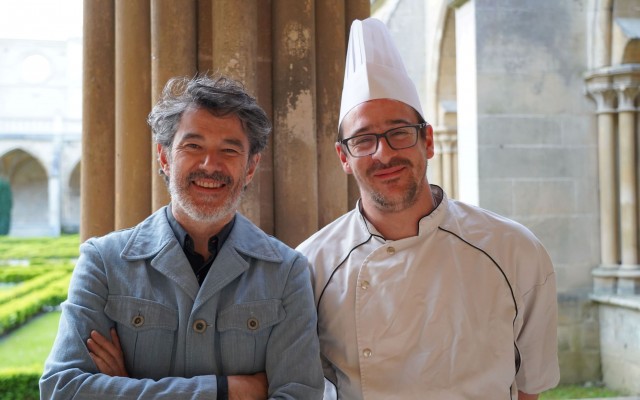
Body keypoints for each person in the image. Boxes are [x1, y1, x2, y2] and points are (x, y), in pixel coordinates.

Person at [296, 18, 560, 400]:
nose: (384, 153)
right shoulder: (310, 266)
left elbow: (529, 389)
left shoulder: (515, 250)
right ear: (343, 157)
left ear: (428, 140)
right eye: (364, 139)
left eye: (399, 132)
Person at [40, 75, 324, 400]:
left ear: (250, 167)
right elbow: (60, 390)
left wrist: (126, 388)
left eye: (229, 150)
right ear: (164, 157)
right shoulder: (103, 262)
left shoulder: (286, 272)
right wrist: (225, 391)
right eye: (193, 146)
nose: (210, 164)